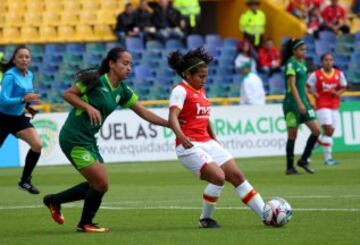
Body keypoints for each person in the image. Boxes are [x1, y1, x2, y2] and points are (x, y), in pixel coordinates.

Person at [43, 47, 169, 233]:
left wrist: (170, 124)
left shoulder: (123, 91)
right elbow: (68, 94)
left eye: (131, 64)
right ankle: (84, 223)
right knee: (100, 183)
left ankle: (55, 201)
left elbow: (143, 112)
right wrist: (87, 107)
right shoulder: (95, 81)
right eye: (125, 63)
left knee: (99, 184)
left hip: (88, 139)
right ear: (111, 63)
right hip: (73, 137)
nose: (129, 68)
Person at [168, 48, 265, 228]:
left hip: (207, 142)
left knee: (237, 176)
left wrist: (214, 137)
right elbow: (172, 117)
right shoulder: (180, 91)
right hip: (189, 146)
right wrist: (181, 137)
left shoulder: (201, 90)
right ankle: (205, 219)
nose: (204, 81)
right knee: (219, 177)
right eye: (201, 77)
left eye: (205, 76)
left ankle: (266, 214)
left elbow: (205, 118)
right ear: (188, 74)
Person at [0, 46, 42, 194]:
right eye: (21, 57)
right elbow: (3, 100)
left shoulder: (29, 75)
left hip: (17, 118)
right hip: (2, 118)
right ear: (14, 59)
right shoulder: (10, 76)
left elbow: (23, 97)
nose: (24, 59)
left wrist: (28, 107)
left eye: (27, 57)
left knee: (37, 145)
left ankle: (25, 181)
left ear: (30, 60)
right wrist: (23, 99)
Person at [282, 39, 320, 175]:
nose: (304, 52)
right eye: (301, 50)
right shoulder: (291, 64)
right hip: (292, 104)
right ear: (294, 51)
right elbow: (292, 85)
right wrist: (299, 103)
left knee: (316, 130)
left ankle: (303, 159)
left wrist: (309, 100)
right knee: (293, 134)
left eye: (305, 49)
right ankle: (289, 167)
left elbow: (302, 85)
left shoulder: (303, 63)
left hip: (303, 102)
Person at [306, 53, 347, 165]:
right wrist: (314, 93)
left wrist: (338, 93)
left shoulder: (339, 74)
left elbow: (344, 86)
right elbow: (307, 86)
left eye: (331, 60)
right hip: (322, 105)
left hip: (334, 105)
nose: (328, 62)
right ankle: (328, 159)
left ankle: (307, 153)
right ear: (322, 62)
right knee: (328, 130)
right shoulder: (316, 74)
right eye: (326, 60)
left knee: (329, 133)